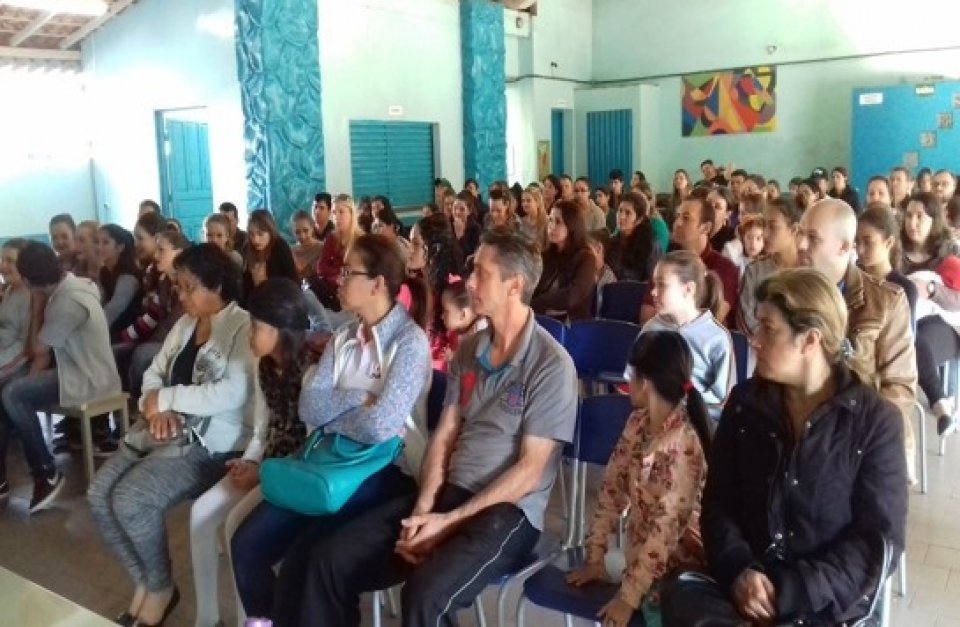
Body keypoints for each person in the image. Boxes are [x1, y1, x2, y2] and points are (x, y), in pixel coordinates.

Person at [295, 229, 578, 627]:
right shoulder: (468, 350)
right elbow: (444, 436)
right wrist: (425, 510)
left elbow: (529, 472)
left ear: (515, 285)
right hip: (449, 494)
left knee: (425, 594)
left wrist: (447, 523)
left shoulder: (551, 364)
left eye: (481, 273)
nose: (470, 283)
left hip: (507, 513)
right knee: (328, 560)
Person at [662, 268, 908, 626]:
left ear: (811, 340)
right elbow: (718, 505)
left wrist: (791, 590)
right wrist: (740, 572)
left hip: (821, 602)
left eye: (768, 328)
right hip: (740, 591)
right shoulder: (746, 404)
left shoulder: (874, 422)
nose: (755, 340)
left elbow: (877, 543)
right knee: (681, 595)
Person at [231, 235, 431, 625]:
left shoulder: (409, 343)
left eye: (347, 272)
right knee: (247, 543)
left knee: (304, 563)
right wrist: (358, 397)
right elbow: (310, 406)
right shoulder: (343, 339)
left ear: (377, 284)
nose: (338, 280)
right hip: (326, 459)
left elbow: (381, 427)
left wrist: (335, 411)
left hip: (383, 471)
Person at [88, 243, 254, 627]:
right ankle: (148, 582)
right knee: (99, 496)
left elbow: (233, 391)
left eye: (188, 287)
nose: (180, 297)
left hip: (214, 445)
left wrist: (166, 398)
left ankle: (160, 589)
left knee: (130, 500)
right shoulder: (185, 325)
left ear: (217, 285)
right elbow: (153, 370)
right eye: (178, 287)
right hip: (163, 431)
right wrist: (155, 403)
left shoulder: (241, 325)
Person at [190, 278, 317, 627]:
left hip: (295, 474)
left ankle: (261, 618)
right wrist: (250, 459)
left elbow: (311, 447)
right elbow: (263, 430)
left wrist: (261, 472)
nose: (250, 335)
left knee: (235, 529)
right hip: (269, 466)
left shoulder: (310, 373)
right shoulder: (265, 366)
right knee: (202, 513)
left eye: (256, 327)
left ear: (282, 330)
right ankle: (209, 618)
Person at [566, 330, 711, 626]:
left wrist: (628, 597)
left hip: (680, 574)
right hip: (644, 566)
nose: (626, 381)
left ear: (644, 383)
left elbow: (665, 531)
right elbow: (611, 490)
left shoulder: (683, 444)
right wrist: (595, 559)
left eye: (630, 375)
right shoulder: (637, 423)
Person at [798, 198, 917, 483]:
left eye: (812, 238)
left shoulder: (886, 301)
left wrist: (855, 442)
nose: (801, 245)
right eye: (800, 234)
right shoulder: (790, 294)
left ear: (843, 247)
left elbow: (898, 389)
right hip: (803, 429)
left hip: (862, 438)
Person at [1, 242, 121, 512]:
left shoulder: (66, 301)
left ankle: (46, 471)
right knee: (11, 392)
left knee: (13, 394)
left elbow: (37, 348)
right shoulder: (72, 286)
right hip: (77, 370)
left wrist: (36, 305)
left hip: (90, 378)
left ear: (30, 280)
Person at [644, 251, 733, 421]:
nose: (653, 292)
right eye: (654, 285)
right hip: (654, 417)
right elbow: (635, 378)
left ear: (688, 289)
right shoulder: (651, 328)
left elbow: (721, 397)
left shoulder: (717, 338)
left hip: (697, 422)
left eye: (662, 285)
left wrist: (680, 398)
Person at [900, 191, 960, 436]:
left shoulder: (948, 256)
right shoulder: (895, 253)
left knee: (915, 341)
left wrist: (932, 289)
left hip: (943, 324)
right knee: (905, 338)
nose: (912, 223)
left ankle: (940, 404)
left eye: (920, 217)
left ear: (934, 220)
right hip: (904, 323)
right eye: (909, 216)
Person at [650, 193, 738, 326]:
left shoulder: (725, 268)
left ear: (705, 227)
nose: (677, 223)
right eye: (677, 216)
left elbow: (713, 319)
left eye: (686, 218)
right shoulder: (666, 263)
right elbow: (647, 312)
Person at [122, 230, 190, 400]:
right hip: (162, 338)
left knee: (142, 353)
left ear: (179, 253)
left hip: (181, 342)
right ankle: (117, 406)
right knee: (120, 350)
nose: (156, 255)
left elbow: (174, 325)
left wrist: (145, 342)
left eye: (162, 250)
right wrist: (126, 336)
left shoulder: (187, 283)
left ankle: (140, 403)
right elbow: (154, 316)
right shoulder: (164, 281)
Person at [737, 197, 802, 337]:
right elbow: (745, 317)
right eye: (764, 225)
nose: (765, 234)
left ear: (794, 229)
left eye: (773, 226)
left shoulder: (809, 272)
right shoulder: (754, 271)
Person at [532, 200, 597, 321]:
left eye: (558, 222)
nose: (551, 226)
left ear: (572, 226)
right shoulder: (546, 255)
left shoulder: (586, 258)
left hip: (572, 323)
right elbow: (534, 286)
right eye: (550, 220)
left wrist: (538, 303)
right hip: (542, 318)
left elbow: (572, 296)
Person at [855, 206, 917, 328]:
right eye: (857, 242)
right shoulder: (853, 278)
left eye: (868, 242)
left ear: (889, 242)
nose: (860, 249)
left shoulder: (904, 288)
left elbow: (906, 341)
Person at [313, 194, 361, 311]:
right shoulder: (332, 237)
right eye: (334, 213)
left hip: (354, 286)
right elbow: (321, 267)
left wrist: (344, 276)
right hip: (333, 285)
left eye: (341, 212)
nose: (336, 217)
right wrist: (337, 274)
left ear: (351, 213)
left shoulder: (361, 239)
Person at [98, 224, 143, 342]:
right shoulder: (104, 272)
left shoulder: (129, 277)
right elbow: (100, 301)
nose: (99, 247)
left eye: (105, 243)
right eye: (97, 242)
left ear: (120, 247)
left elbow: (112, 312)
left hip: (127, 334)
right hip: (112, 329)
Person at [605, 192, 662, 283]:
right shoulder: (612, 241)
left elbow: (653, 280)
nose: (621, 216)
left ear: (639, 220)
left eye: (628, 213)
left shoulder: (650, 245)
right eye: (620, 211)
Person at [242, 209, 298, 297]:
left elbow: (293, 282)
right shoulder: (247, 248)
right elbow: (245, 286)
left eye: (260, 234)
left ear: (270, 232)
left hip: (281, 299)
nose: (255, 240)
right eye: (251, 234)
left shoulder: (280, 246)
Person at [0, 240, 31, 384]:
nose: (3, 265)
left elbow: (24, 346)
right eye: (2, 260)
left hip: (16, 362)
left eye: (10, 261)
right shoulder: (10, 290)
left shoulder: (30, 297)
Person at [436, 277, 483, 371]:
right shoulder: (460, 332)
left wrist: (453, 358)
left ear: (462, 315)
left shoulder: (480, 331)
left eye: (446, 311)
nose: (442, 316)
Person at [722, 214, 764, 279]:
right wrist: (739, 241)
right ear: (743, 238)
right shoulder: (738, 259)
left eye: (758, 238)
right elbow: (729, 252)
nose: (753, 243)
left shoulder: (764, 263)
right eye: (749, 237)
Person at [289, 210, 323, 281]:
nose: (302, 236)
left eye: (306, 230)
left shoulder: (322, 248)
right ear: (292, 232)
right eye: (297, 232)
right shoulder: (290, 252)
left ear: (312, 228)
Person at [452, 191, 482, 260]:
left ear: (469, 211)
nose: (457, 212)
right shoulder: (449, 226)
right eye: (455, 208)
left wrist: (460, 237)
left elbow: (470, 257)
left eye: (462, 209)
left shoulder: (476, 229)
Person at [706, 187, 737, 252]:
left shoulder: (732, 240)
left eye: (717, 207)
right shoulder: (694, 231)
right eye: (708, 203)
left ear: (727, 214)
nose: (710, 208)